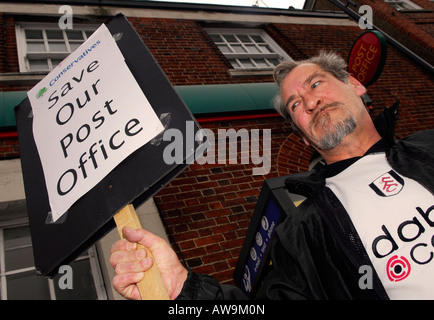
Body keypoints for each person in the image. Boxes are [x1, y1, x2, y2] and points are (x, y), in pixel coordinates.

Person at [110, 51, 434, 300]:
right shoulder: (303, 234)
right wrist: (185, 289)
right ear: (304, 137)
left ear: (354, 84)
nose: (308, 101)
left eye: (316, 83)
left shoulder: (428, 146)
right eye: (294, 105)